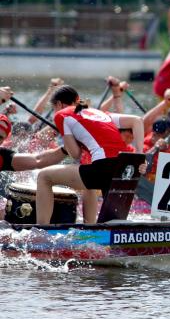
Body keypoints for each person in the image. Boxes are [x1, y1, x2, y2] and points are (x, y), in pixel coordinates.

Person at [33, 85, 144, 224]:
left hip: (104, 167)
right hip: (126, 167)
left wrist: (73, 141)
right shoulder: (100, 113)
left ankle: (42, 230)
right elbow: (137, 121)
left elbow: (75, 154)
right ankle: (91, 226)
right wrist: (140, 158)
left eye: (54, 108)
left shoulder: (61, 115)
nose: (55, 111)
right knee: (113, 222)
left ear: (59, 104)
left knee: (44, 176)